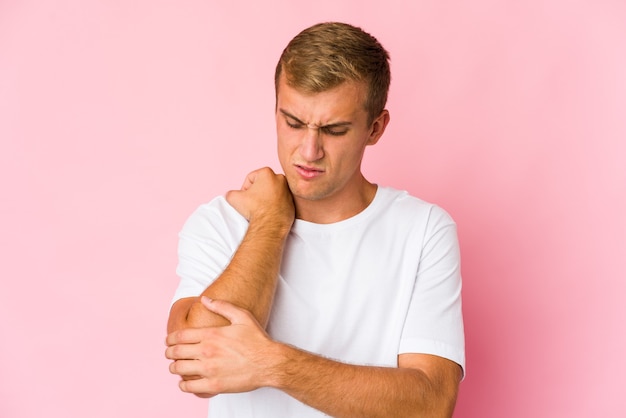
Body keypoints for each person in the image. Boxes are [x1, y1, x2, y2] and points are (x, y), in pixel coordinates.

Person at [165, 22, 465, 418]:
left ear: (375, 128)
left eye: (334, 130)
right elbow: (197, 364)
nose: (308, 150)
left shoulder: (423, 230)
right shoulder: (222, 222)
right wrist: (271, 219)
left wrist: (271, 364)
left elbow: (431, 403)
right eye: (292, 123)